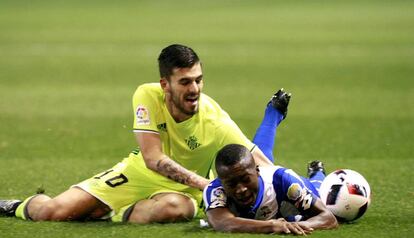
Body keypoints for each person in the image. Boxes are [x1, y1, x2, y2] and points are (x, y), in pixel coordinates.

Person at [0, 44, 279, 223]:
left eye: (198, 79)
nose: (194, 89)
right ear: (165, 84)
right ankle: (16, 205)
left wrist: (295, 188)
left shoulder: (213, 117)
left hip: (184, 192)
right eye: (184, 82)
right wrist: (208, 186)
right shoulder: (146, 95)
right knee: (52, 213)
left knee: (174, 209)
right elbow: (153, 159)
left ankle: (111, 213)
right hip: (138, 173)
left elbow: (257, 160)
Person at [203, 144, 338, 235]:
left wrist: (295, 226)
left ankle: (317, 173)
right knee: (291, 218)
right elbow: (221, 223)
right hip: (278, 216)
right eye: (232, 184)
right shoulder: (214, 190)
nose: (241, 189)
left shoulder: (282, 180)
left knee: (321, 192)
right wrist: (272, 226)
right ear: (221, 181)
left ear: (257, 171)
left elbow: (329, 218)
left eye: (246, 179)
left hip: (298, 194)